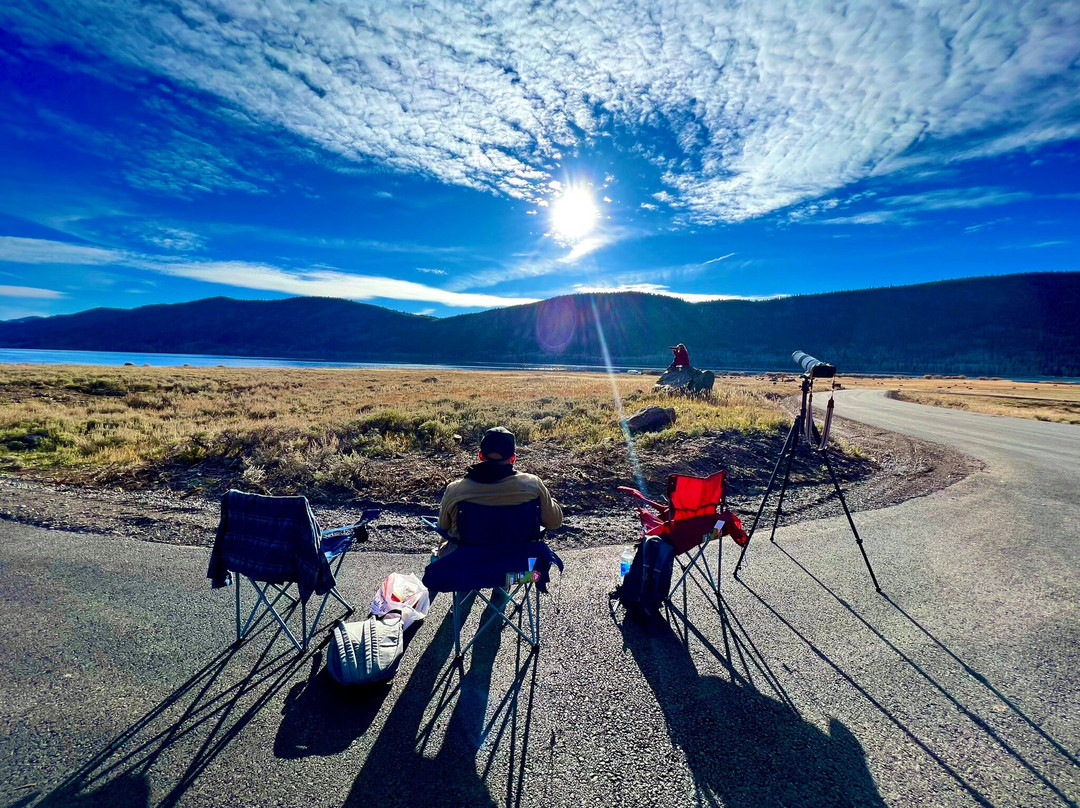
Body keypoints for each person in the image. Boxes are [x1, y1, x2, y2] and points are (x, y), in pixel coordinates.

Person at [436, 426, 562, 553]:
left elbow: (442, 526)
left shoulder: (455, 490)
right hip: (519, 566)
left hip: (468, 568)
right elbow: (554, 523)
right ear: (513, 459)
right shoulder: (533, 486)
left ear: (480, 455)